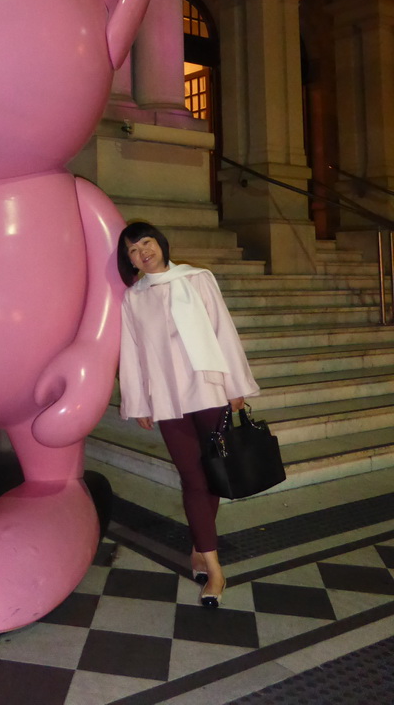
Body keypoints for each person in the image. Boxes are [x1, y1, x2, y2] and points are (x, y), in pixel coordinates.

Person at [117, 221, 260, 608]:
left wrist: (236, 386)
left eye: (145, 242)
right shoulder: (134, 298)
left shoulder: (197, 279)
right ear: (128, 259)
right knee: (193, 478)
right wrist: (139, 402)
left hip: (208, 388)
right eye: (132, 249)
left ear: (160, 243)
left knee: (212, 475)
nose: (142, 252)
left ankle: (202, 551)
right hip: (168, 398)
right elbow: (131, 354)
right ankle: (215, 570)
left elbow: (221, 331)